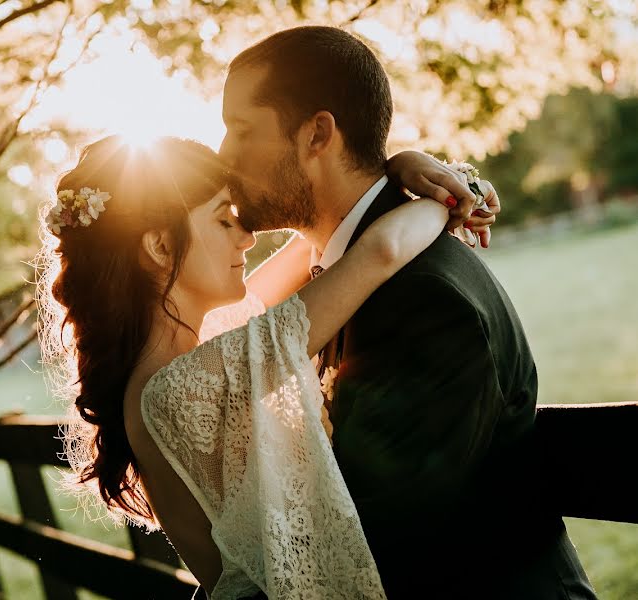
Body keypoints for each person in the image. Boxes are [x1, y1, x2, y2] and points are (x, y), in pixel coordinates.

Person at [218, 26, 596, 599]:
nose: (224, 155)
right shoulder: (345, 265)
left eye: (241, 130)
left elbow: (378, 540)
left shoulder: (425, 301)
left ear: (318, 134)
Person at [36, 134, 495, 598]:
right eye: (223, 221)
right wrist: (453, 198)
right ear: (159, 247)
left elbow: (321, 240)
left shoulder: (195, 358)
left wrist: (400, 166)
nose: (247, 236)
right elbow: (380, 251)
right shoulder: (182, 387)